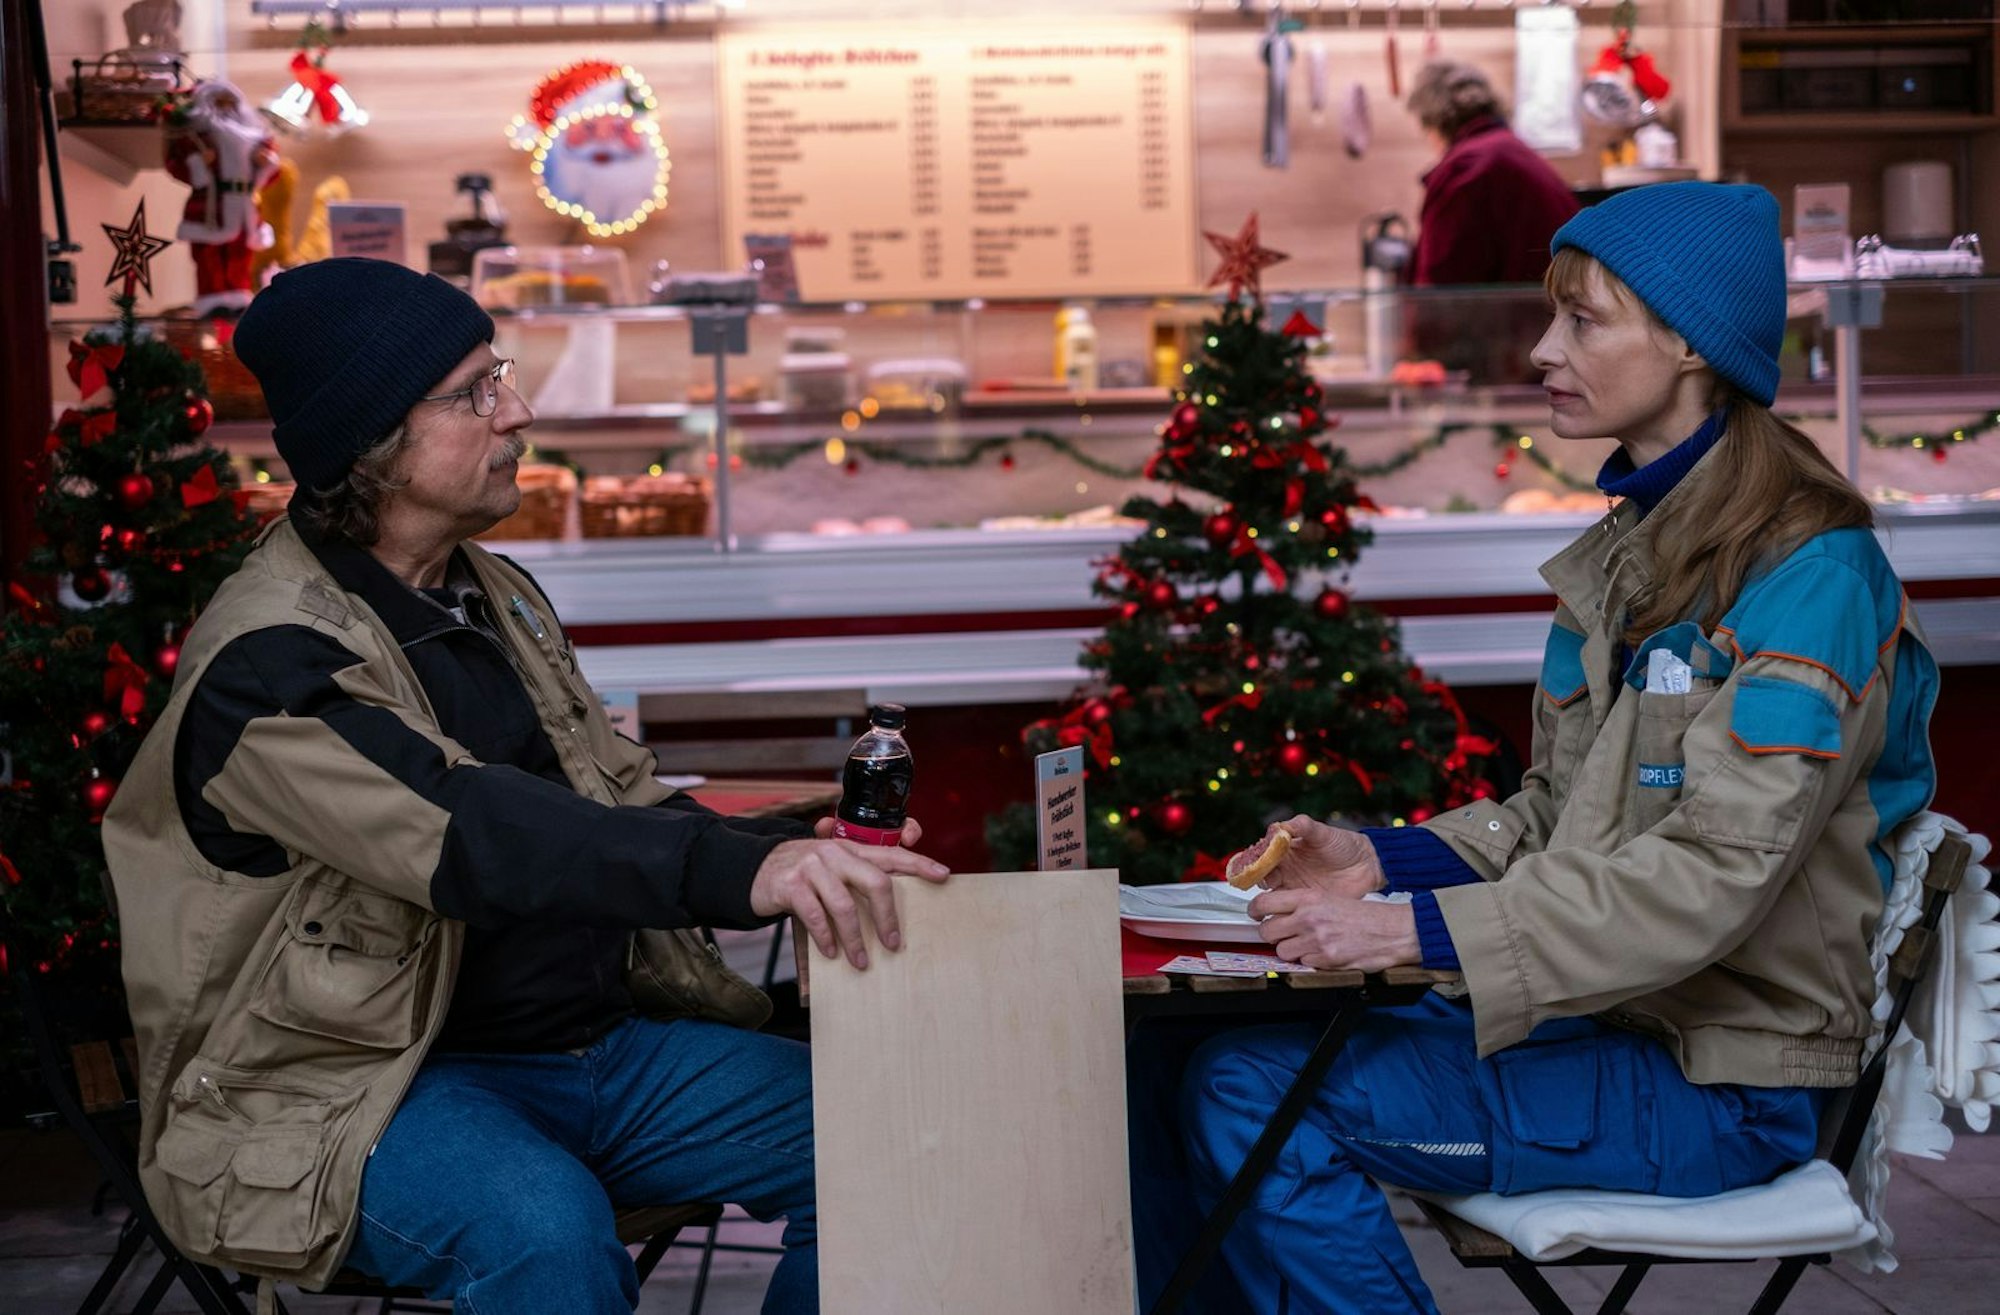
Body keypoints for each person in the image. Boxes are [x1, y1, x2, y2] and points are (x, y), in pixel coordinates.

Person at [1131, 182, 1939, 1313]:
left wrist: (1410, 929)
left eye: (1581, 319)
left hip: (1719, 1079)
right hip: (1605, 1019)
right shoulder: (1636, 547)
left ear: (1691, 343)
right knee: (1164, 1055)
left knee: (1252, 1089)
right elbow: (1560, 812)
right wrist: (1384, 865)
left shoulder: (1814, 577)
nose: (1542, 348)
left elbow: (1712, 877)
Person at [100, 258, 951, 1314]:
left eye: (499, 375)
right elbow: (469, 831)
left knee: (907, 1135)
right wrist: (740, 872)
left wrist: (795, 846)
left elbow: (611, 801)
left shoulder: (490, 592)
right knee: (543, 1232)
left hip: (599, 1052)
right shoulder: (265, 666)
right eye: (474, 392)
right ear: (371, 444)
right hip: (361, 1089)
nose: (519, 411)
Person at [1402, 60, 1579, 383]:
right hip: (1552, 345)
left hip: (1516, 358)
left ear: (1433, 121)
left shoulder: (1469, 166)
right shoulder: (1511, 152)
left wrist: (1421, 354)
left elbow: (1444, 279)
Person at [164, 78, 282, 317]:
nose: (225, 108)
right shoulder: (196, 138)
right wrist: (198, 163)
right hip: (210, 207)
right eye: (219, 103)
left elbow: (271, 174)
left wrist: (265, 163)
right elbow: (176, 165)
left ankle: (238, 295)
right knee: (209, 255)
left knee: (240, 254)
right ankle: (212, 297)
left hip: (243, 206)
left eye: (229, 103)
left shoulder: (254, 139)